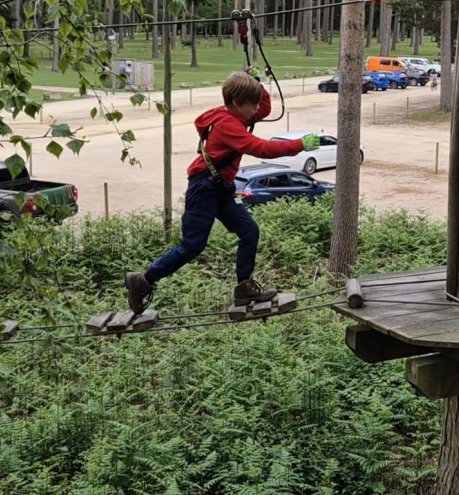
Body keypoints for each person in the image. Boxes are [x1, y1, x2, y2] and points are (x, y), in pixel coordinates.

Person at [124, 69, 319, 314]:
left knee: (249, 231)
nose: (256, 109)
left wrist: (257, 84)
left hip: (220, 188)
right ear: (237, 103)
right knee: (192, 246)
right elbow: (261, 148)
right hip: (204, 188)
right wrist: (299, 145)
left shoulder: (232, 113)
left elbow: (265, 110)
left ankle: (244, 288)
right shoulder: (228, 125)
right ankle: (142, 281)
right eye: (252, 104)